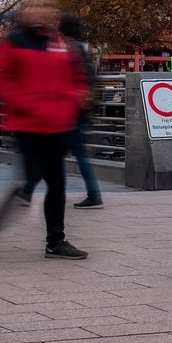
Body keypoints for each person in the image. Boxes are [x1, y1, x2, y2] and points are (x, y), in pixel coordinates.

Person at [0, 0, 89, 261]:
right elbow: (3, 83)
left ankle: (56, 242)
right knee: (28, 185)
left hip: (58, 125)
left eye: (48, 6)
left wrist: (76, 97)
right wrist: (31, 105)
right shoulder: (13, 42)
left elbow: (75, 77)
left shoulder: (58, 43)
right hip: (28, 124)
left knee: (57, 183)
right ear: (26, 10)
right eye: (38, 6)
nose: (43, 11)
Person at [58, 13, 104, 210]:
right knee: (76, 152)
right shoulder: (80, 48)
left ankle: (92, 194)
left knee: (65, 152)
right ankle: (91, 193)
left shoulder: (67, 48)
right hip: (79, 108)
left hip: (69, 109)